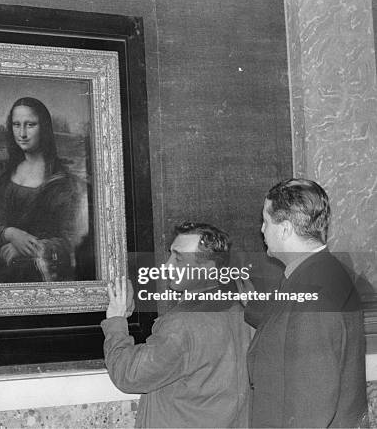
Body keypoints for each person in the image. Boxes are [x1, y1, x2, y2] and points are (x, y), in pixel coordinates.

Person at [102, 222, 251, 428]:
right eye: (170, 254)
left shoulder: (183, 323)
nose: (168, 265)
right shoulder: (240, 311)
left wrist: (116, 322)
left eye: (178, 258)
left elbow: (129, 376)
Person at [246, 178, 367, 427]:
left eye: (266, 221)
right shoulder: (317, 272)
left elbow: (311, 407)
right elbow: (289, 327)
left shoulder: (314, 294)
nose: (262, 230)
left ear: (285, 229)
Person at [0, 97, 86, 283]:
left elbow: (71, 240)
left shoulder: (63, 183)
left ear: (44, 128)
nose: (22, 133)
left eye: (30, 125)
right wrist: (10, 233)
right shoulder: (7, 176)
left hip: (41, 275)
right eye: (16, 125)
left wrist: (28, 247)